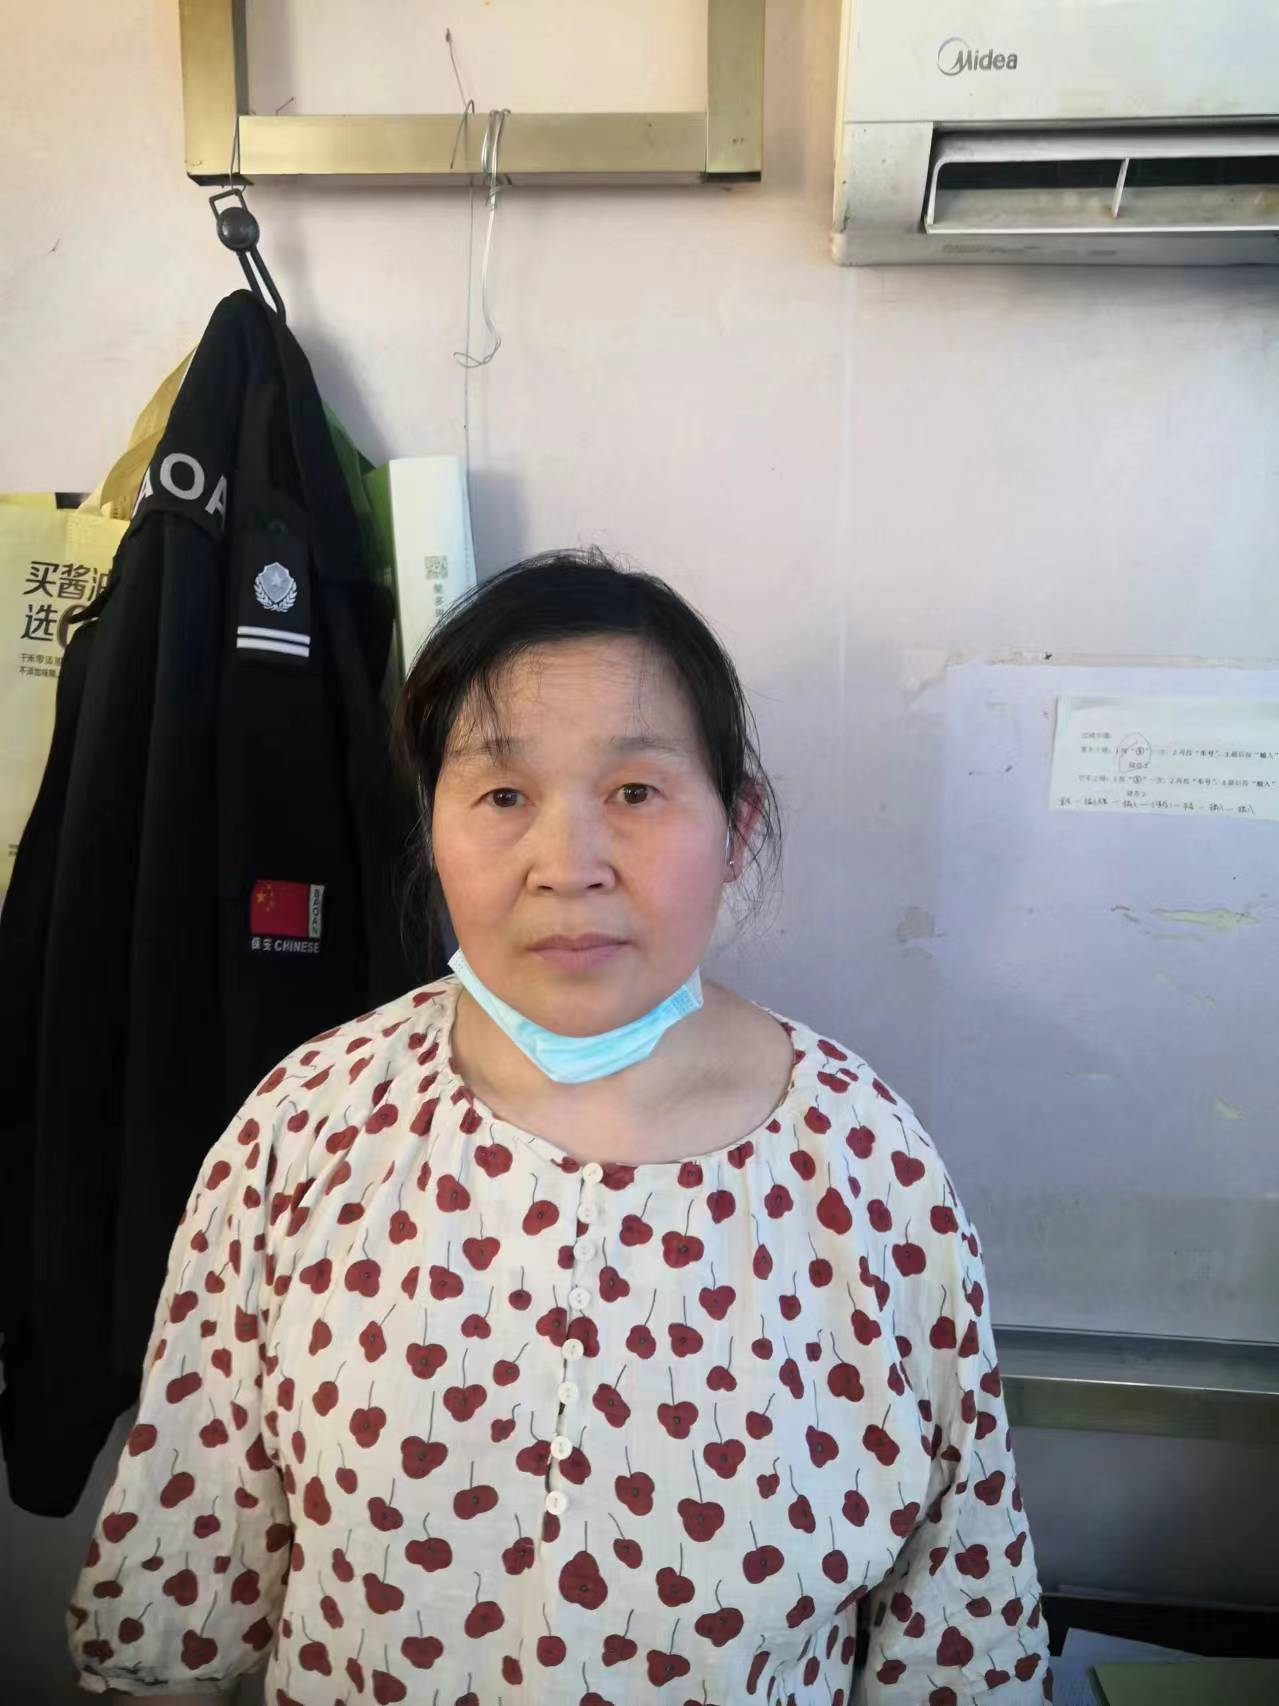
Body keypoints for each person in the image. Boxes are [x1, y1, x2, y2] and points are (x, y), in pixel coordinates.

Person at [68, 550, 1053, 1704]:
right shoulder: (306, 1125)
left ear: (734, 825)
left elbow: (958, 1633)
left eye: (634, 792)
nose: (567, 865)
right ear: (432, 822)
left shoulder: (868, 1166)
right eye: (502, 795)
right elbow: (174, 1614)